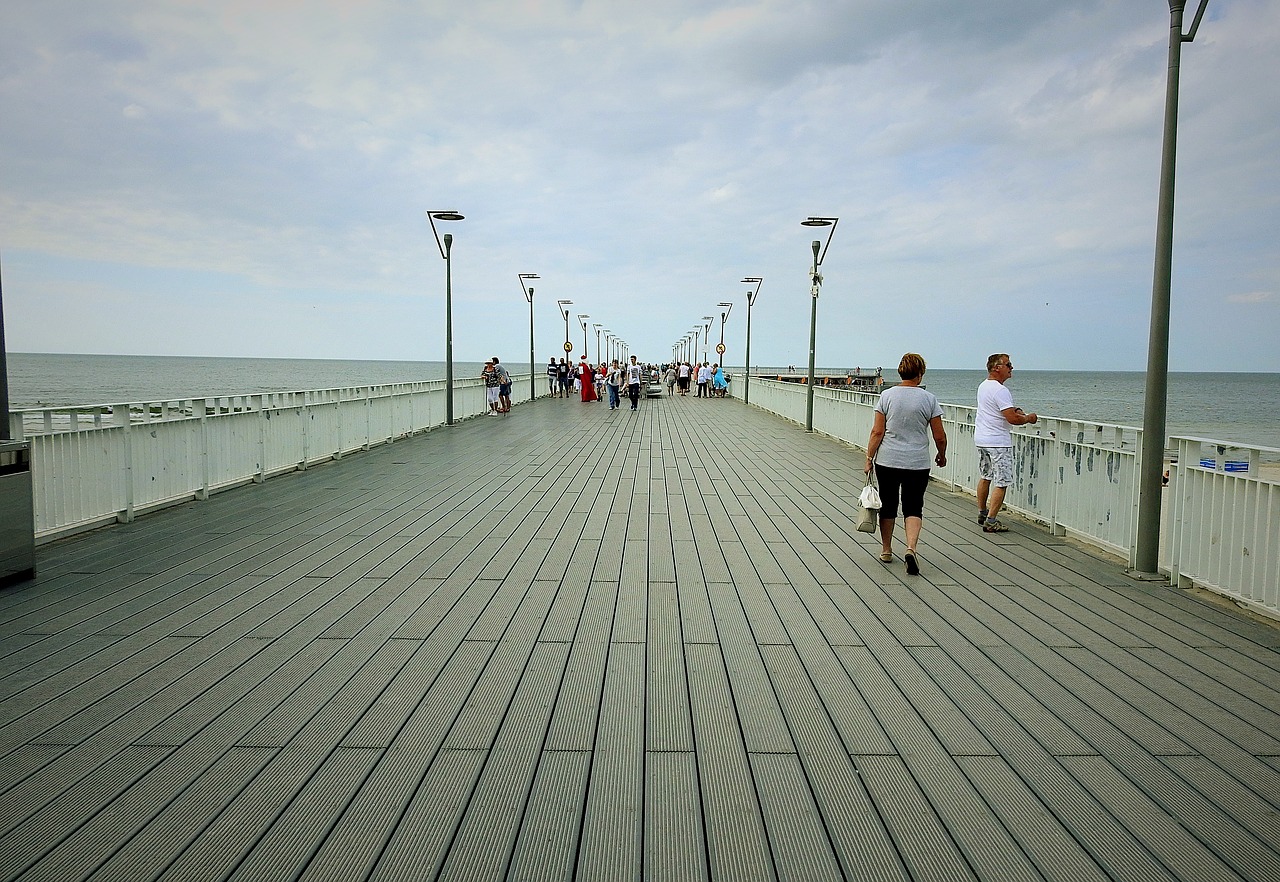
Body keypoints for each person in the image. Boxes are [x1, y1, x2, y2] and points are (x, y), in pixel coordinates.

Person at [863, 353, 947, 575]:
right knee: (913, 506)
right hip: (917, 462)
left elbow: (877, 431)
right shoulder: (929, 399)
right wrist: (942, 454)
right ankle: (910, 548)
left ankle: (887, 549)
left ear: (901, 372)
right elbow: (939, 435)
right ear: (920, 374)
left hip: (888, 460)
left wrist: (869, 458)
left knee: (888, 504)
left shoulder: (887, 396)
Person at [975, 353, 1038, 533]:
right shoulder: (1001, 390)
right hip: (998, 442)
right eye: (1008, 365)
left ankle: (982, 512)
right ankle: (992, 521)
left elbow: (999, 410)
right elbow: (1012, 419)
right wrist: (1028, 418)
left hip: (982, 438)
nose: (1011, 368)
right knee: (1001, 481)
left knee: (985, 476)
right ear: (997, 367)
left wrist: (1013, 409)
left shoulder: (983, 386)